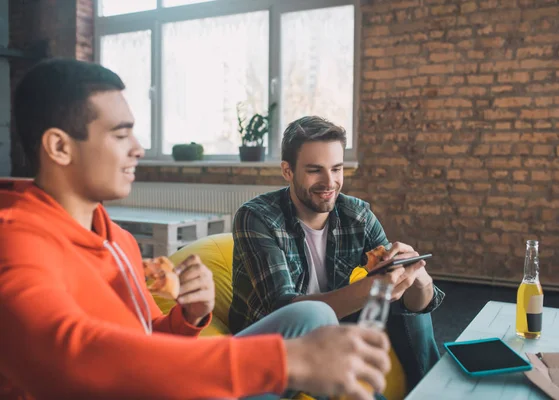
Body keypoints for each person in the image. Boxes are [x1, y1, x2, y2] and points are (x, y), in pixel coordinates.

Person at [0, 58, 391, 400]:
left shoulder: (116, 239)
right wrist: (282, 360)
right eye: (121, 135)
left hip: (157, 383)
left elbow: (149, 337)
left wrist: (187, 317)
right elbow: (71, 357)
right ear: (59, 147)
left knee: (313, 318)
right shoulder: (15, 240)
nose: (138, 147)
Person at [229, 116, 445, 393]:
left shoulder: (357, 215)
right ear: (287, 171)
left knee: (401, 301)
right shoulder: (256, 217)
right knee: (354, 300)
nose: (329, 182)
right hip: (275, 337)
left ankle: (431, 392)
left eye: (337, 169)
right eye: (314, 170)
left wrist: (418, 279)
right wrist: (373, 288)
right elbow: (285, 308)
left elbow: (419, 303)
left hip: (334, 319)